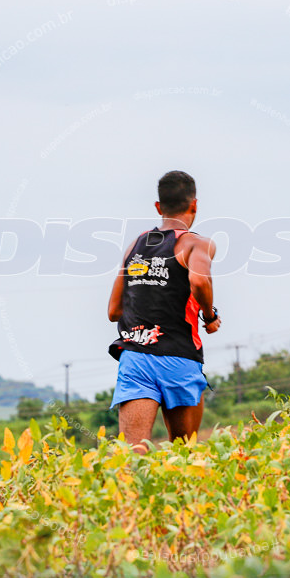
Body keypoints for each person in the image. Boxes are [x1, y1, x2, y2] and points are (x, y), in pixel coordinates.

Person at [107, 171, 220, 453]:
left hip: (135, 358)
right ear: (194, 205)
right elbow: (198, 280)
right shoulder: (197, 243)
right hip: (178, 357)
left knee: (133, 455)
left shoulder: (135, 246)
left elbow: (113, 310)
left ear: (159, 207)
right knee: (183, 454)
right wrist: (209, 314)